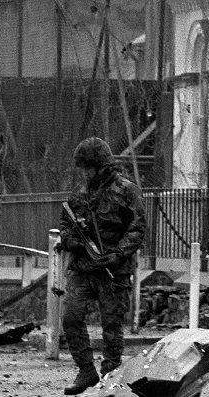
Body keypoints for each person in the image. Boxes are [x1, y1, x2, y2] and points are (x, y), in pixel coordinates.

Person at [60, 136, 147, 395]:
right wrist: (71, 241)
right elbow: (65, 223)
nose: (85, 173)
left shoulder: (126, 190)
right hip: (83, 268)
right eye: (83, 168)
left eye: (89, 167)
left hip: (113, 270)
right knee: (71, 317)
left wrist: (118, 254)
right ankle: (86, 370)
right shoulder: (80, 194)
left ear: (102, 166)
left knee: (112, 326)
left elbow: (137, 227)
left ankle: (110, 376)